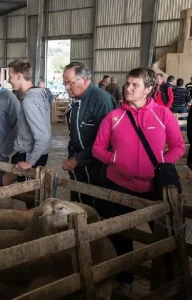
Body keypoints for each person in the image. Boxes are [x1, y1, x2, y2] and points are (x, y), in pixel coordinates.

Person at [92, 67, 185, 288]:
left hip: (154, 188)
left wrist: (162, 164)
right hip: (118, 186)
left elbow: (178, 146)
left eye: (135, 85)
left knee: (164, 234)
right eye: (127, 84)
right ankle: (124, 278)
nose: (128, 88)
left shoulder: (163, 115)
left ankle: (167, 279)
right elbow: (97, 148)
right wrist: (114, 159)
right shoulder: (114, 116)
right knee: (119, 236)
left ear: (149, 89)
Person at [62, 62, 117, 207]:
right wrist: (72, 155)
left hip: (96, 166)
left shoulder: (101, 100)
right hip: (79, 164)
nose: (66, 87)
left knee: (95, 204)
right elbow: (74, 132)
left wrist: (78, 159)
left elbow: (105, 140)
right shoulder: (76, 100)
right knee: (78, 202)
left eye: (70, 83)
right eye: (65, 83)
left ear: (85, 80)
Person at [7, 60, 51, 187]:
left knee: (29, 194)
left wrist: (30, 161)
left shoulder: (29, 101)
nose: (9, 80)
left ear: (19, 76)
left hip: (29, 154)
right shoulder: (40, 93)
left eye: (10, 76)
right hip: (37, 153)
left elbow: (43, 135)